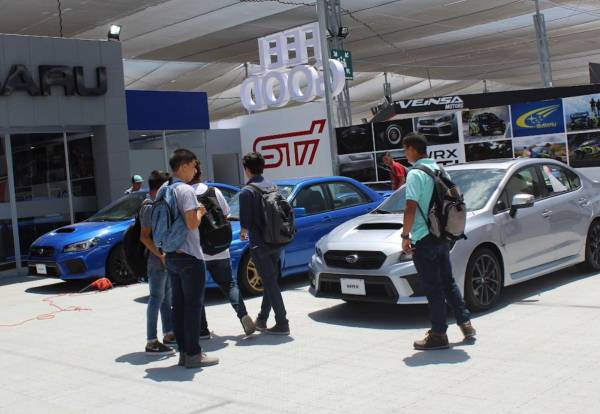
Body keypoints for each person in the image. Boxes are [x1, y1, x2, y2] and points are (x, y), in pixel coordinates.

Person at [400, 133, 476, 350]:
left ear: (413, 149)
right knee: (448, 281)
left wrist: (405, 236)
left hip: (424, 237)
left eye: (406, 149)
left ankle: (438, 334)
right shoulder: (440, 169)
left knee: (432, 287)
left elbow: (410, 207)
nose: (405, 154)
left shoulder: (415, 173)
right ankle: (465, 324)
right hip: (443, 235)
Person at [163, 149, 219, 368]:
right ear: (185, 165)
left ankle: (183, 354)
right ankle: (195, 354)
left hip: (171, 255)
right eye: (194, 165)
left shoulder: (164, 190)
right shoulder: (185, 191)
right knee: (193, 306)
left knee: (178, 306)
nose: (196, 170)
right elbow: (192, 224)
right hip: (190, 256)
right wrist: (200, 212)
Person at [188, 168, 256, 338]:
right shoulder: (214, 191)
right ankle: (243, 315)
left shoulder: (186, 194)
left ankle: (202, 330)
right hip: (219, 248)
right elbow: (225, 215)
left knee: (198, 290)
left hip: (198, 250)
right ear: (200, 175)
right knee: (229, 284)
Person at [239, 152, 289, 335]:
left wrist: (244, 232)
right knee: (270, 281)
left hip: (259, 243)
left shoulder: (247, 191)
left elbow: (244, 222)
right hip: (277, 240)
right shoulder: (272, 186)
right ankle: (262, 319)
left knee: (269, 282)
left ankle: (282, 322)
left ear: (247, 169)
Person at [139, 170, 176, 354]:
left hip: (164, 257)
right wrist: (160, 254)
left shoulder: (160, 203)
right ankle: (151, 341)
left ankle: (169, 333)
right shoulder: (148, 206)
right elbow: (144, 237)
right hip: (156, 260)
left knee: (165, 297)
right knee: (155, 298)